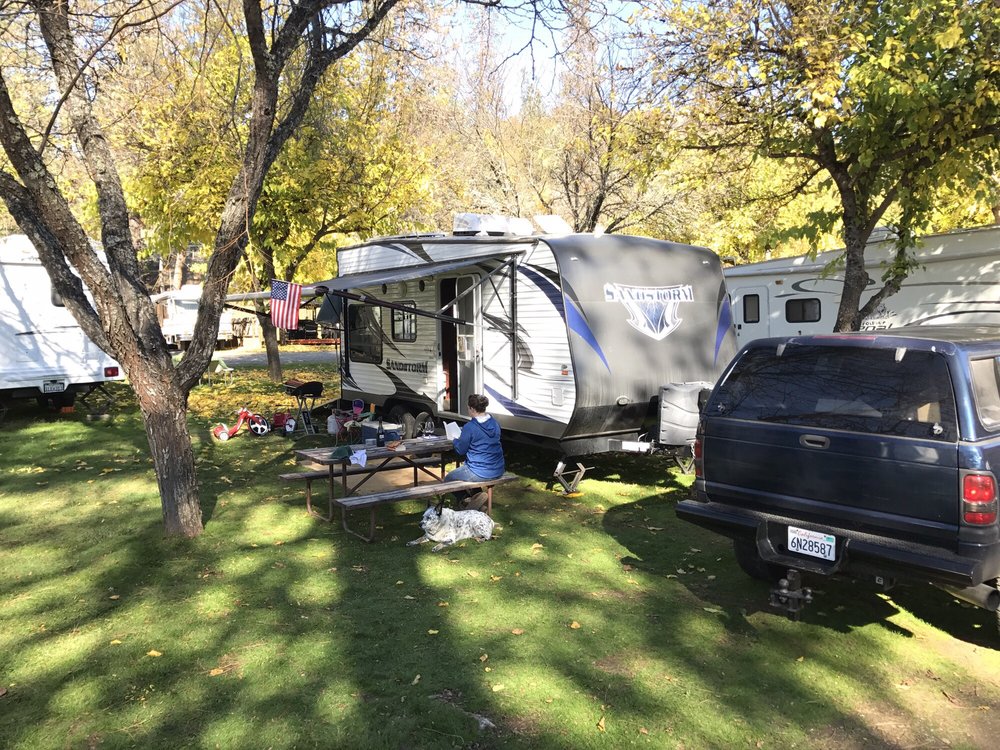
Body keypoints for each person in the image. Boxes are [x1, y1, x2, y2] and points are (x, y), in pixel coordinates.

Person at [446, 393, 505, 509]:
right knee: (467, 473)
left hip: (479, 470)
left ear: (472, 409)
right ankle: (477, 498)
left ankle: (466, 500)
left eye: (468, 407)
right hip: (497, 468)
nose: (468, 410)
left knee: (448, 479)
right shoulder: (495, 423)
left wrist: (454, 440)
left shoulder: (470, 427)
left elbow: (460, 450)